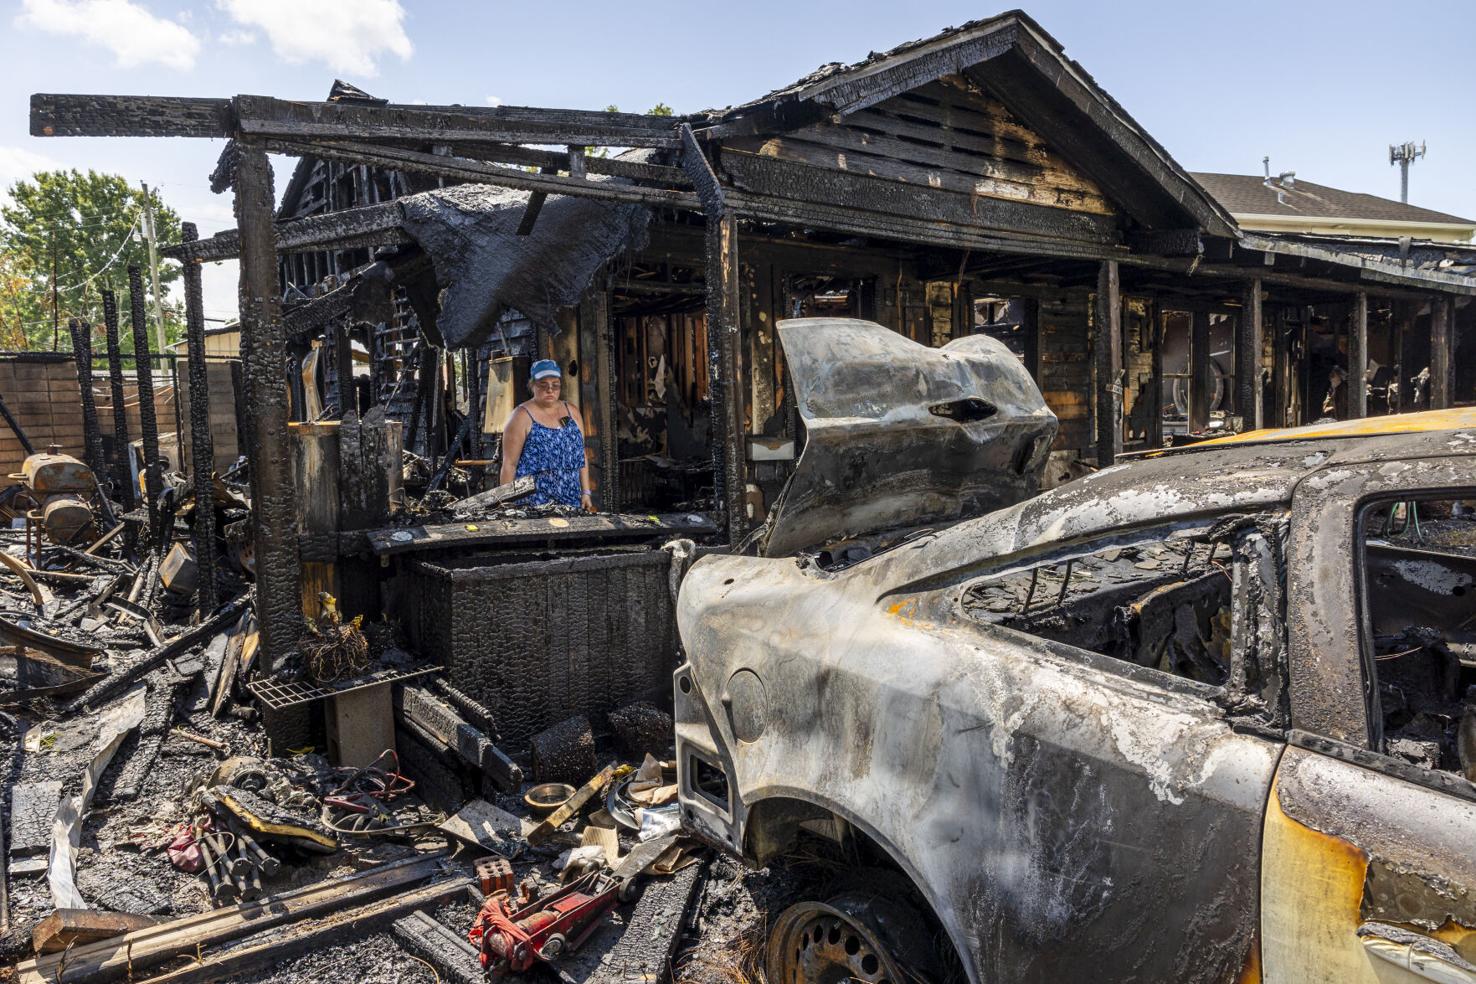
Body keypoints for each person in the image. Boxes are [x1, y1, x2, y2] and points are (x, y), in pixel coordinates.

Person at [499, 359, 596, 510]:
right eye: (543, 385)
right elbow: (509, 464)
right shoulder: (521, 416)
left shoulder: (572, 411)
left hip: (571, 499)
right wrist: (506, 505)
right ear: (532, 385)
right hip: (533, 502)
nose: (550, 390)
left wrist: (586, 492)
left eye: (555, 385)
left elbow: (580, 455)